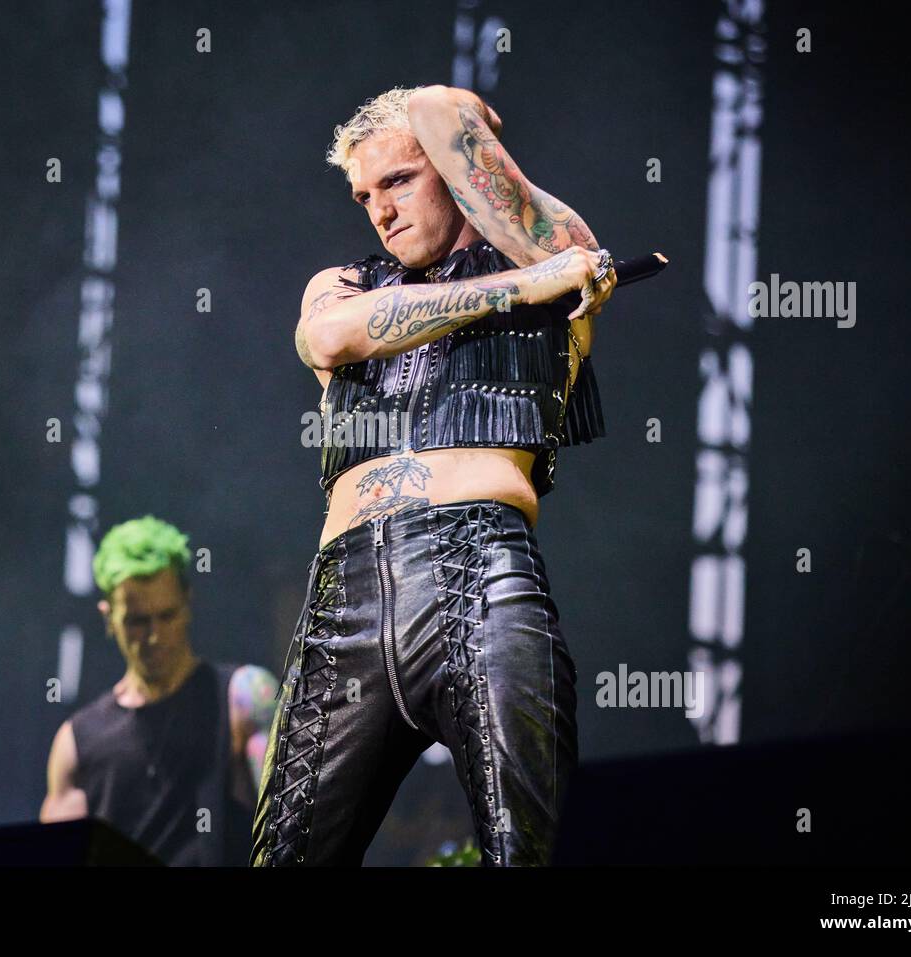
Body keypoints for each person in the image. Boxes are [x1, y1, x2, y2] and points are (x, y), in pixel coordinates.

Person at [251, 84, 618, 866]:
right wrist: (522, 288)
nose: (378, 210)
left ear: (454, 169)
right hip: (344, 595)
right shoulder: (346, 284)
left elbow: (443, 112)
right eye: (363, 194)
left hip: (479, 571)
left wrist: (446, 120)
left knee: (526, 850)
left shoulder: (556, 250)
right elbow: (330, 337)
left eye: (397, 181)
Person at [40, 515, 279, 866]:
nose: (154, 635)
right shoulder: (76, 741)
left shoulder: (243, 696)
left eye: (167, 615)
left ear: (187, 601)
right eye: (137, 621)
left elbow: (288, 828)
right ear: (108, 616)